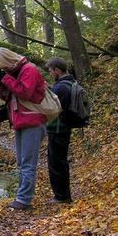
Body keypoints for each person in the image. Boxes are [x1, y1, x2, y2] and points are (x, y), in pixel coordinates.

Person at [0, 48, 48, 210]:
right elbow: (5, 96)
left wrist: (6, 78)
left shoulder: (29, 69)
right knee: (22, 163)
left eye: (3, 67)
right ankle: (22, 197)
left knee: (28, 164)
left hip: (33, 121)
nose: (4, 70)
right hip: (20, 121)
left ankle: (24, 200)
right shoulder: (13, 72)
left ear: (8, 61)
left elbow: (26, 92)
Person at [45, 57, 74, 204]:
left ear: (57, 70)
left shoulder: (60, 87)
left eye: (50, 71)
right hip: (64, 127)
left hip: (58, 129)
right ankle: (63, 195)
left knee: (56, 163)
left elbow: (53, 107)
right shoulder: (70, 82)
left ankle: (61, 196)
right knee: (60, 161)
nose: (50, 73)